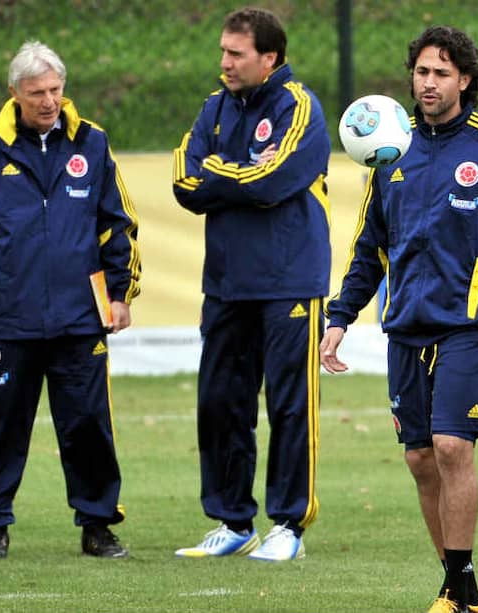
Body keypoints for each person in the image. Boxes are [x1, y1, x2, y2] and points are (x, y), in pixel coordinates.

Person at [321, 25, 478, 613]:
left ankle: (464, 588)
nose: (428, 83)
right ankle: (454, 585)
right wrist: (340, 317)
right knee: (420, 458)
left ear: (466, 80)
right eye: (422, 72)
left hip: (469, 322)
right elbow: (370, 247)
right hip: (405, 322)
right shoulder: (390, 149)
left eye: (442, 73)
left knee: (454, 448)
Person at [0, 40, 141, 559]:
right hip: (10, 321)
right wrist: (6, 274)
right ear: (15, 93)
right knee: (1, 426)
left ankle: (98, 524)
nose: (49, 101)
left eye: (56, 90)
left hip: (81, 319)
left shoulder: (92, 144)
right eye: (37, 92)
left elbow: (118, 224)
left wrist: (119, 294)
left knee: (88, 426)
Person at [171, 7, 330, 562]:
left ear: (270, 58)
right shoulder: (214, 106)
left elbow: (274, 180)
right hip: (226, 283)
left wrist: (222, 171)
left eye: (236, 54)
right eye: (222, 51)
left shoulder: (299, 106)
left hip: (289, 281)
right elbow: (184, 180)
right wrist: (232, 171)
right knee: (220, 403)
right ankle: (232, 519)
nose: (224, 62)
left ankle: (288, 525)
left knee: (289, 405)